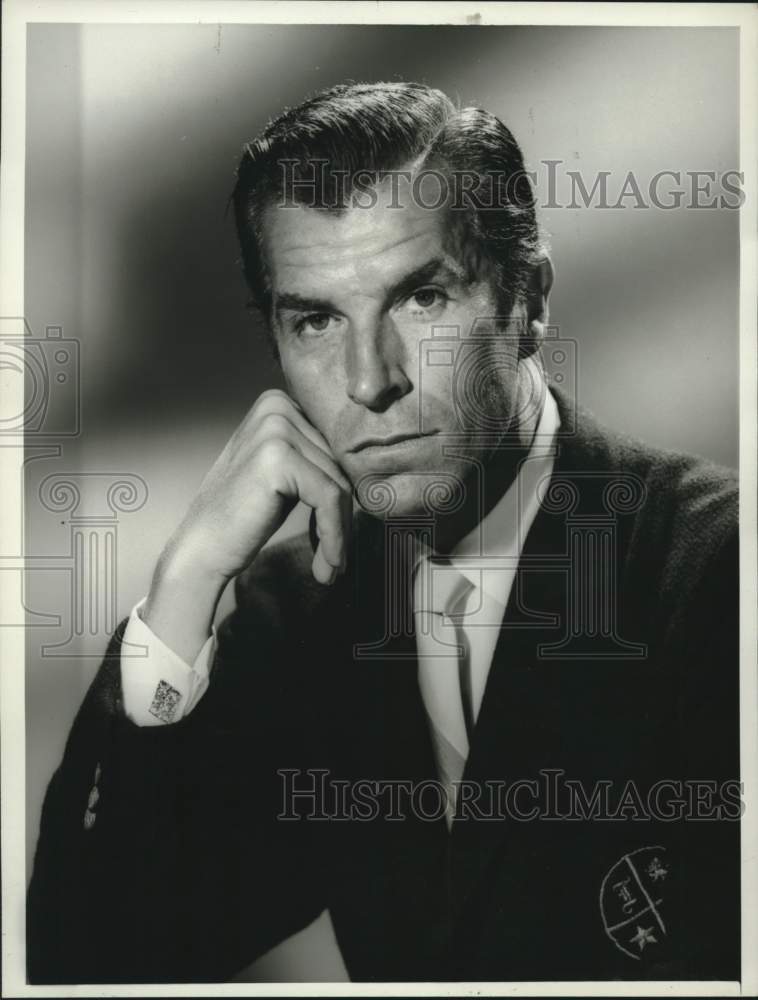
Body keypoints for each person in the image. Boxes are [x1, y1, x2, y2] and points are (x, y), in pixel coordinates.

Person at [27, 81, 740, 984]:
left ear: (530, 301)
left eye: (421, 299)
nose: (368, 381)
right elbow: (97, 966)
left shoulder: (719, 571)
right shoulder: (294, 610)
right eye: (317, 320)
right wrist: (185, 586)